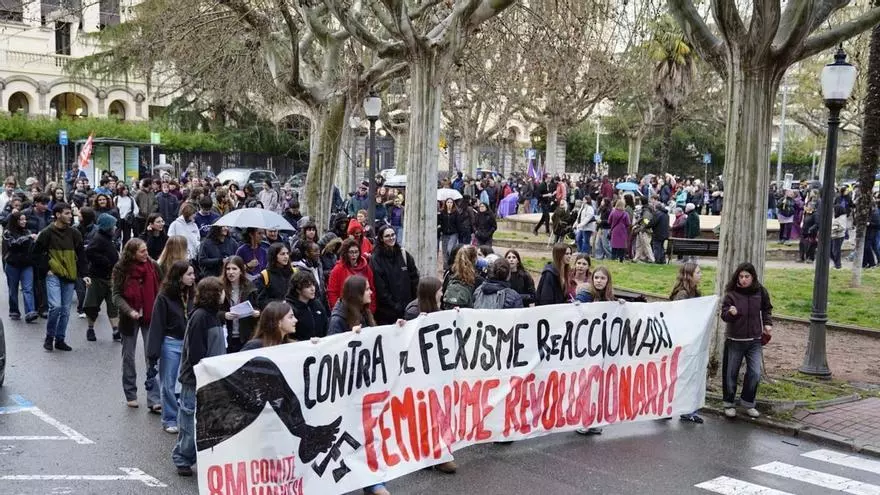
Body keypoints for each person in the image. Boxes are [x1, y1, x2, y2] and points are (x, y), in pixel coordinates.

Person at [173, 276, 227, 477]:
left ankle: (200, 456)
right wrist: (206, 371)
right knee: (189, 421)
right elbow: (195, 352)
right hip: (196, 379)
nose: (224, 294)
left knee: (208, 422)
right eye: (220, 290)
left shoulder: (213, 316)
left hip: (211, 377)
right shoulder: (201, 317)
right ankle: (182, 457)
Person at [111, 238, 162, 410]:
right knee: (129, 357)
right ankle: (131, 394)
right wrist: (129, 310)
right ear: (131, 253)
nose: (146, 254)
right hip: (129, 318)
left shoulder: (153, 266)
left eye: (146, 250)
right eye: (142, 251)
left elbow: (161, 288)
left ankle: (154, 399)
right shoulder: (121, 269)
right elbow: (116, 295)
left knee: (152, 356)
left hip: (150, 315)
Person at [146, 260, 195, 434]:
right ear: (179, 276)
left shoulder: (193, 295)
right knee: (168, 383)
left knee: (185, 383)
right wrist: (152, 353)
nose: (193, 277)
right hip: (171, 343)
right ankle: (169, 419)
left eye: (193, 274)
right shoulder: (164, 297)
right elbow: (157, 325)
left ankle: (185, 417)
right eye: (189, 274)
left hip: (189, 344)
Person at [720, 262, 773, 419]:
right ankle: (729, 403)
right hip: (735, 340)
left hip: (754, 340)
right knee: (731, 373)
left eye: (747, 276)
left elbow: (767, 308)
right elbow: (724, 315)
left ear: (753, 277)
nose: (743, 280)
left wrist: (768, 324)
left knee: (755, 373)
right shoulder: (731, 294)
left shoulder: (760, 291)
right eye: (741, 276)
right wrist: (731, 313)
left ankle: (748, 402)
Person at [33, 202, 89, 351]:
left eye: (71, 213)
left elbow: (81, 255)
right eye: (67, 213)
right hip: (53, 274)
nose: (71, 216)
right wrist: (46, 269)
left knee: (65, 310)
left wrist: (84, 275)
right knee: (56, 307)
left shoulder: (74, 233)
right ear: (58, 215)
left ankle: (60, 339)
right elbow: (36, 253)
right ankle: (49, 337)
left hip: (70, 275)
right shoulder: (47, 232)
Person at [669, 262, 705, 423]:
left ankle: (687, 409)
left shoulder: (695, 293)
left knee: (689, 375)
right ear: (689, 275)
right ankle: (668, 407)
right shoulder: (682, 294)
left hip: (691, 340)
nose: (701, 275)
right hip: (681, 341)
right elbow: (677, 316)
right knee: (678, 376)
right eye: (698, 272)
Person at [370, 225, 419, 325]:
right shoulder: (376, 259)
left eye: (393, 235)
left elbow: (414, 277)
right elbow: (380, 286)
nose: (391, 238)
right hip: (387, 313)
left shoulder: (404, 254)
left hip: (407, 308)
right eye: (387, 236)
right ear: (381, 238)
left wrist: (414, 301)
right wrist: (394, 305)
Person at [83, 213, 121, 342]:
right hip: (98, 277)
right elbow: (89, 252)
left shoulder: (108, 237)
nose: (115, 227)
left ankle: (115, 330)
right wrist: (106, 261)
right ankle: (90, 329)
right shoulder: (98, 238)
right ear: (107, 227)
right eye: (113, 225)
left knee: (113, 305)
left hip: (110, 277)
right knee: (92, 306)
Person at [3, 211, 38, 322]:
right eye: (21, 219)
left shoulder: (27, 231)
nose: (24, 221)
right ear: (15, 221)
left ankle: (30, 312)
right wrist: (28, 238)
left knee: (28, 289)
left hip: (26, 264)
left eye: (25, 219)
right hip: (12, 264)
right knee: (13, 289)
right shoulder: (7, 233)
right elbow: (12, 244)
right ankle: (14, 310)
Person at [221, 256, 260, 353]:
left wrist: (256, 313)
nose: (231, 272)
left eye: (234, 269)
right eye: (228, 269)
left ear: (241, 271)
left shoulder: (250, 287)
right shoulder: (220, 287)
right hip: (226, 336)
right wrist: (224, 315)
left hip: (246, 336)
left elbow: (258, 307)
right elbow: (212, 310)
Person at [327, 237, 377, 314]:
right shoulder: (338, 269)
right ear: (345, 253)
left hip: (364, 312)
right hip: (345, 312)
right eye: (351, 252)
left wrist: (370, 310)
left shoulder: (366, 268)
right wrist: (338, 311)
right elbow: (332, 293)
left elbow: (372, 290)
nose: (354, 255)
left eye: (356, 252)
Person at [285, 270, 329, 341]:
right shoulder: (290, 309)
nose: (313, 289)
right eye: (308, 286)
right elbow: (287, 336)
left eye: (313, 285)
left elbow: (326, 326)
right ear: (298, 290)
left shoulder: (317, 304)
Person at [441, 244, 481, 309]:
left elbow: (443, 293)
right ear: (474, 259)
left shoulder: (449, 274)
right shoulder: (477, 280)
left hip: (449, 313)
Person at [256, 243, 294, 308]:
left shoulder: (294, 272)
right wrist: (280, 303)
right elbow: (261, 301)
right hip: (275, 313)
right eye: (282, 254)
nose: (286, 256)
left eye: (287, 253)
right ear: (274, 256)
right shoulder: (265, 275)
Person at [831, 205, 847, 269]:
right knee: (831, 251)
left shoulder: (842, 217)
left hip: (838, 236)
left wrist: (834, 228)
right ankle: (836, 263)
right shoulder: (835, 216)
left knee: (836, 251)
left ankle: (838, 265)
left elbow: (842, 227)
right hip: (833, 235)